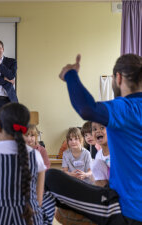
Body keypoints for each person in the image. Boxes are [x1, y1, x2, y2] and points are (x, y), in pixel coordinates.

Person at [45, 54, 142, 224]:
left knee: (50, 177)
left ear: (118, 78)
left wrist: (70, 74)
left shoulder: (125, 107)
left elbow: (87, 109)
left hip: (126, 210)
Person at [91, 122, 110, 187]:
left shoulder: (117, 151)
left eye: (102, 128)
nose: (98, 131)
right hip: (107, 190)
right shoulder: (98, 154)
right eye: (94, 129)